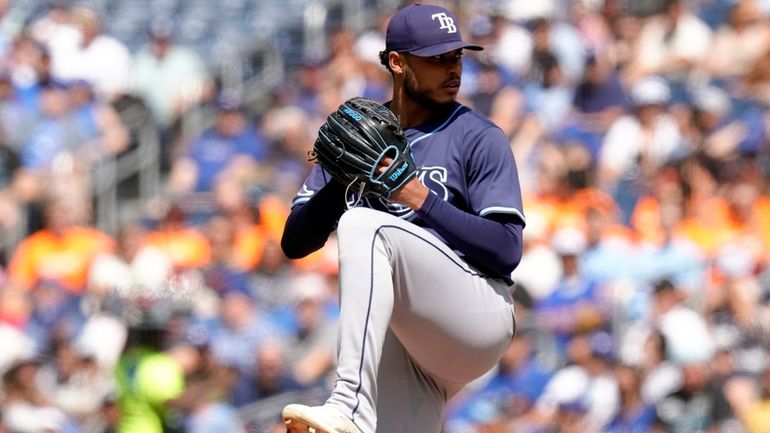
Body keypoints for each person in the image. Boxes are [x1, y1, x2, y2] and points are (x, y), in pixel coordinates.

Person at [279, 4, 525, 433]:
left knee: (364, 226)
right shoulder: (360, 134)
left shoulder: (479, 137)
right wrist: (341, 181)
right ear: (397, 62)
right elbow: (295, 243)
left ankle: (349, 402)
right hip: (412, 341)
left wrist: (420, 198)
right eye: (437, 59)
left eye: (457, 57)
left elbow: (506, 250)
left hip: (477, 314)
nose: (452, 69)